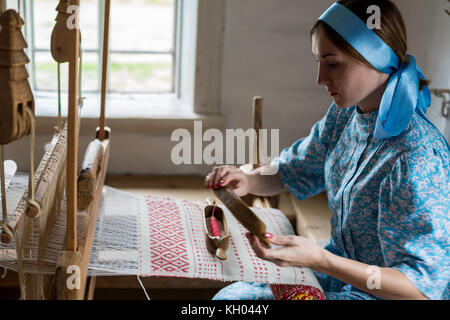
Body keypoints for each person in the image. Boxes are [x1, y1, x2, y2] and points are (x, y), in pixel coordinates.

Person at [204, 0, 449, 300]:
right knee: (233, 300)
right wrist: (249, 180)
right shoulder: (345, 116)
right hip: (341, 273)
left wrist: (322, 261)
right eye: (318, 61)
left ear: (375, 58)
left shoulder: (416, 157)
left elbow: (421, 290)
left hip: (383, 294)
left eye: (332, 63)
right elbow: (295, 167)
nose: (320, 78)